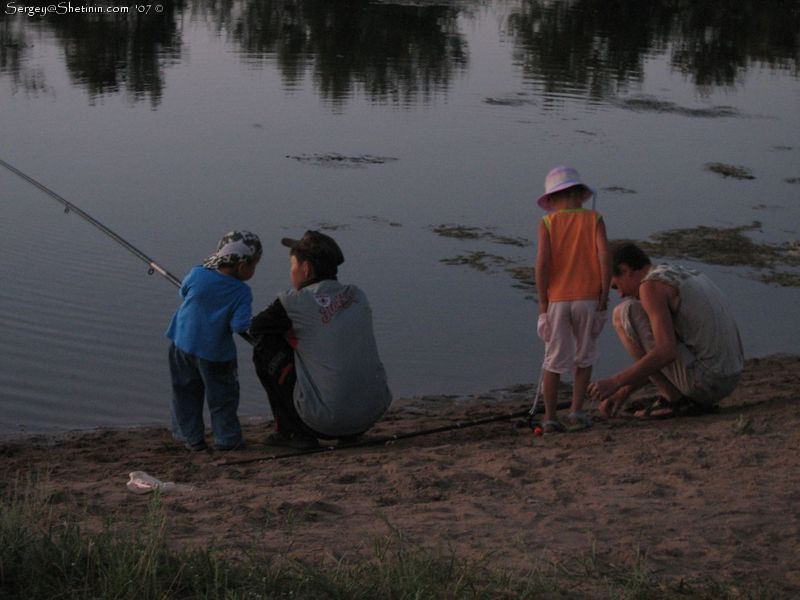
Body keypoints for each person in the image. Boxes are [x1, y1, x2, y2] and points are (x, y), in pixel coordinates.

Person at [250, 230, 392, 449]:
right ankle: (350, 431)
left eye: (292, 266)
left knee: (263, 348)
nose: (291, 272)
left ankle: (289, 431)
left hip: (324, 422)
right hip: (371, 414)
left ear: (305, 269)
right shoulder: (357, 295)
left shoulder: (295, 301)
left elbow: (256, 327)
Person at [588, 243, 744, 418]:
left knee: (624, 312)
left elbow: (665, 352)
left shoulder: (650, 287)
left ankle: (674, 400)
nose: (621, 294)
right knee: (636, 312)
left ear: (625, 269)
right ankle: (675, 396)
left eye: (616, 286)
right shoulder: (674, 272)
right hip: (730, 376)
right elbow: (663, 358)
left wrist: (615, 382)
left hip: (708, 382)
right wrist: (624, 391)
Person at [166, 231, 262, 451]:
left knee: (184, 393)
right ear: (243, 266)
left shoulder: (197, 273)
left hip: (181, 344)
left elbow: (184, 292)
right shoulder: (241, 292)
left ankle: (191, 439)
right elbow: (239, 325)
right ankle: (227, 440)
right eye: (255, 265)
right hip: (215, 354)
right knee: (222, 399)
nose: (254, 270)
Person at [535, 166, 611, 433]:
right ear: (580, 194)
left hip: (557, 299)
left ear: (552, 200)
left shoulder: (548, 223)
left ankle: (550, 417)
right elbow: (604, 256)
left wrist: (543, 301)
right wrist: (604, 294)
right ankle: (576, 412)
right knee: (584, 356)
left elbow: (542, 264)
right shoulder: (594, 219)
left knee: (553, 360)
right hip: (588, 297)